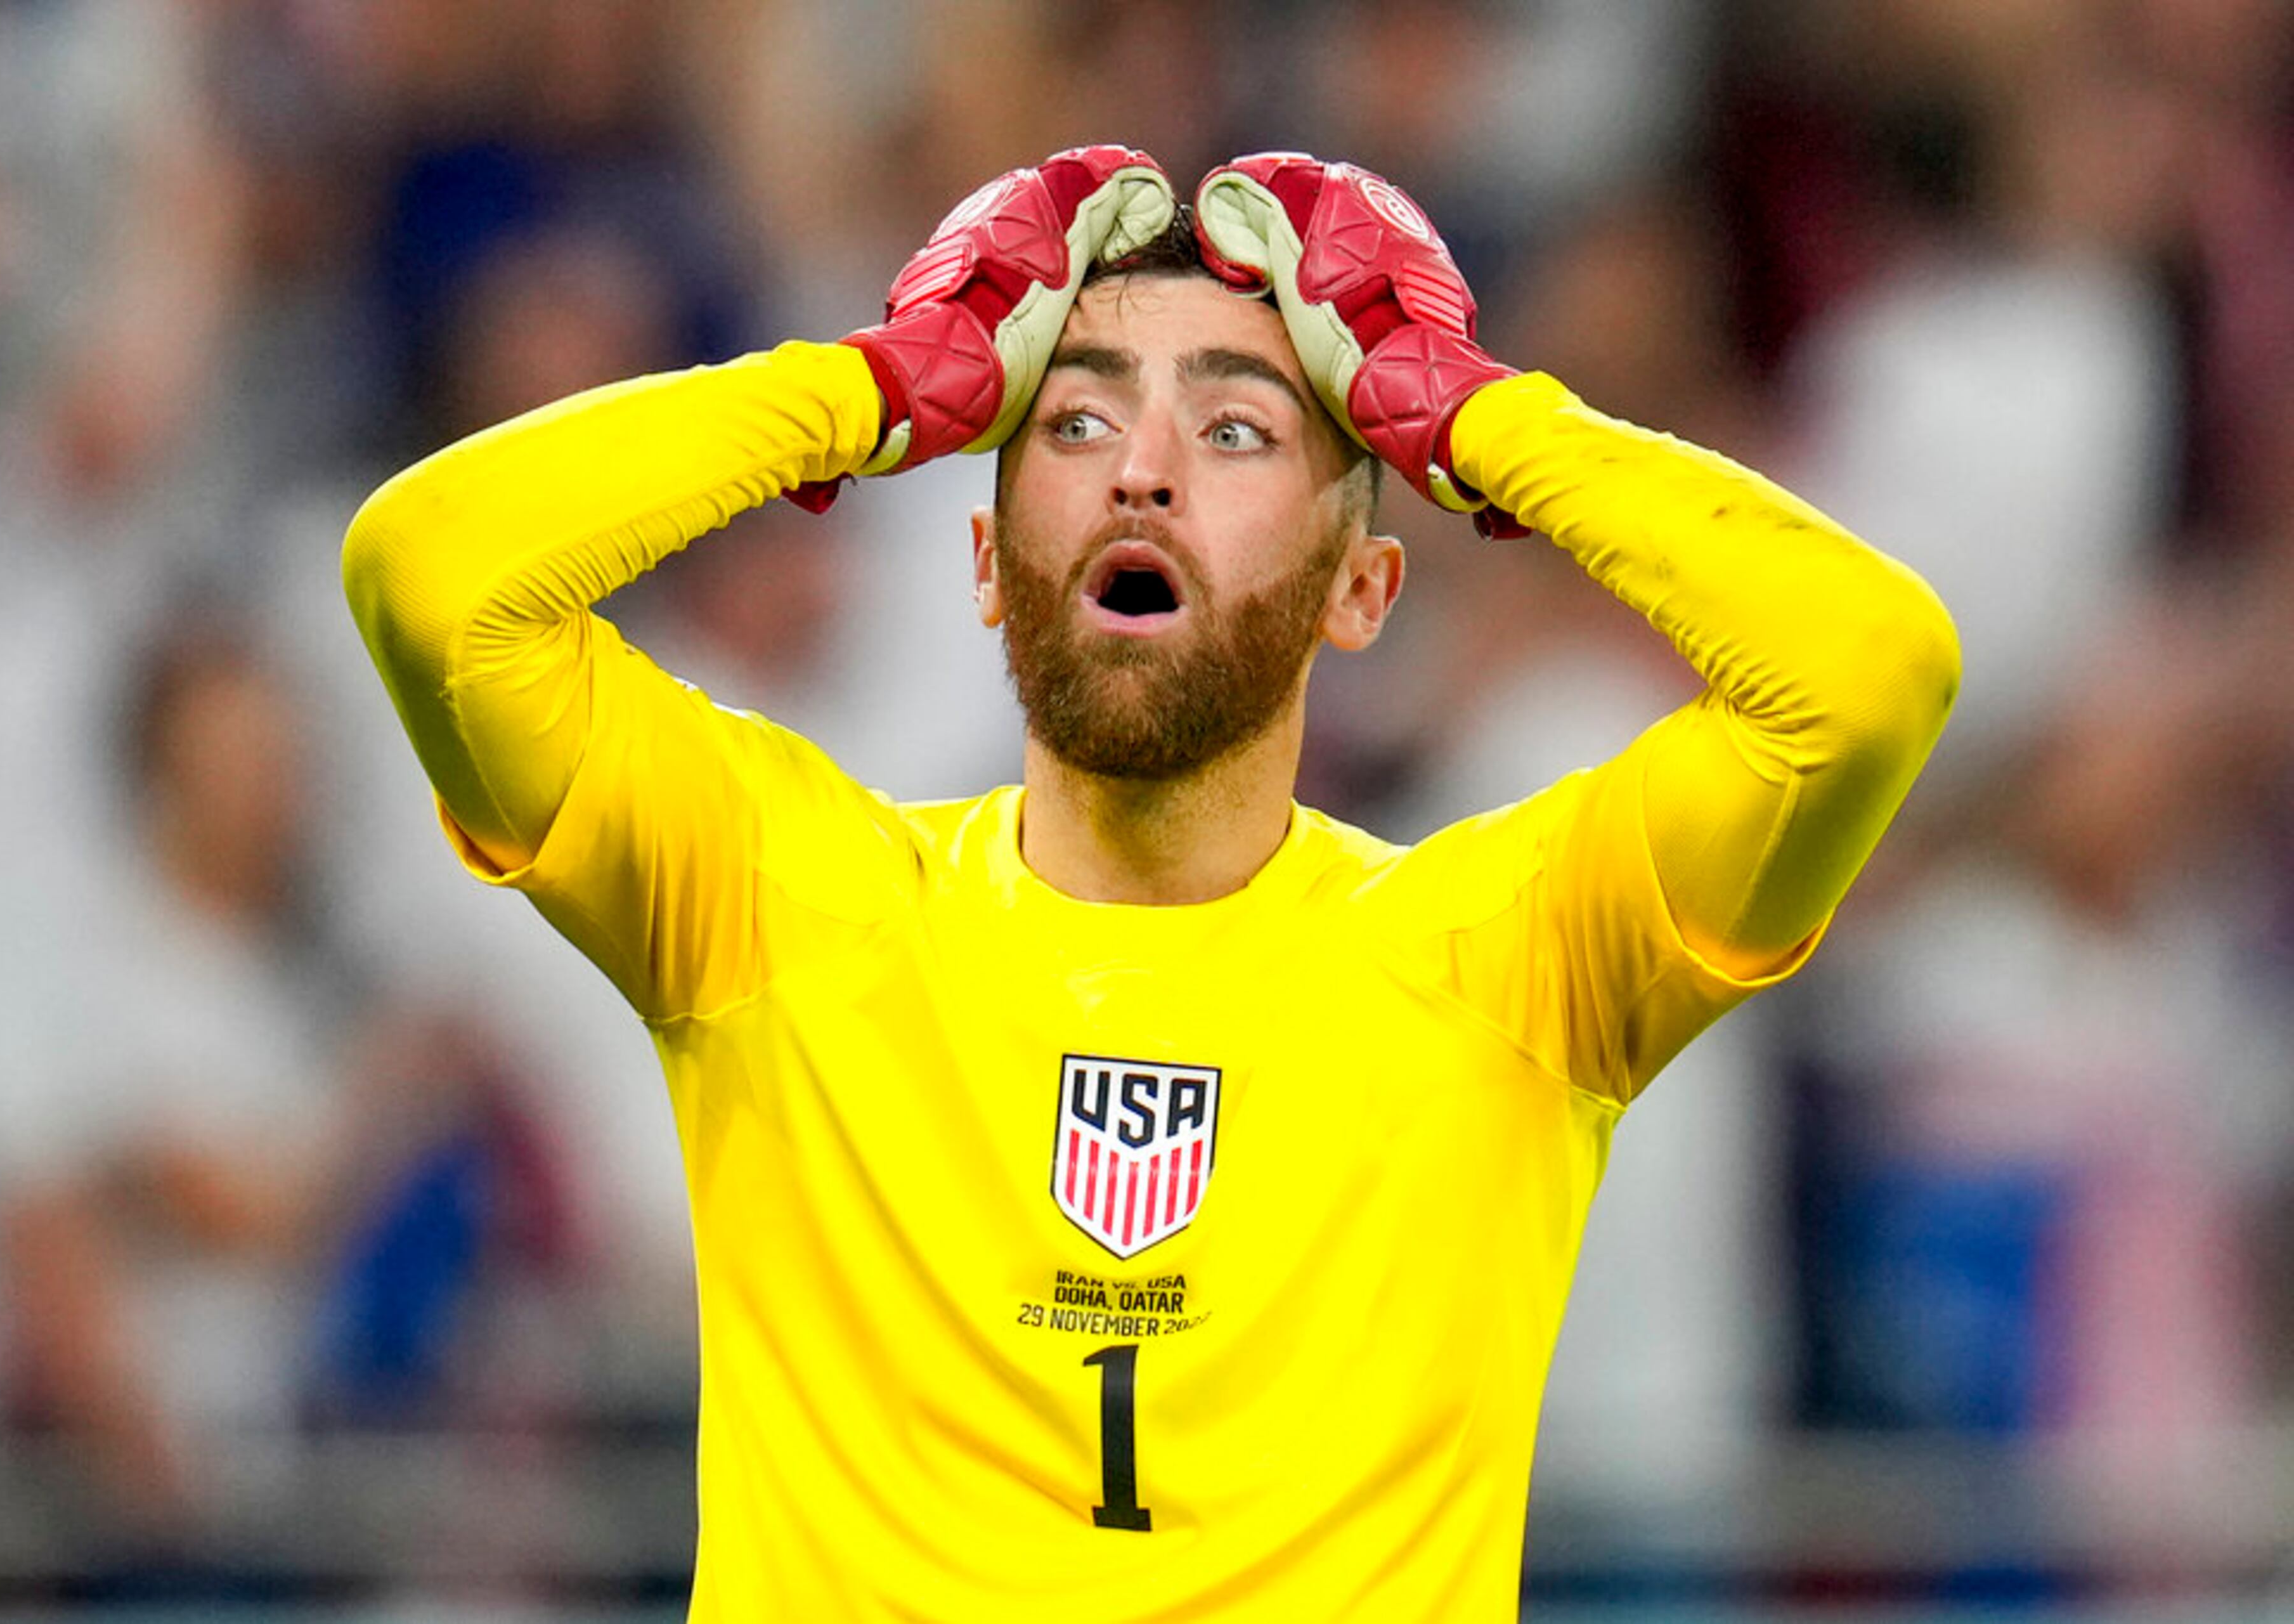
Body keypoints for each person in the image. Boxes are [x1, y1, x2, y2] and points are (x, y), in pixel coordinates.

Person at [343, 145, 1959, 1621]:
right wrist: (866, 389)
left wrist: (1478, 419)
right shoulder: (779, 897)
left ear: (1363, 589)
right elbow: (433, 583)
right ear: (983, 558)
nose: (1144, 473)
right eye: (1078, 418)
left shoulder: (1508, 961)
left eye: (1242, 428)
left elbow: (1868, 678)